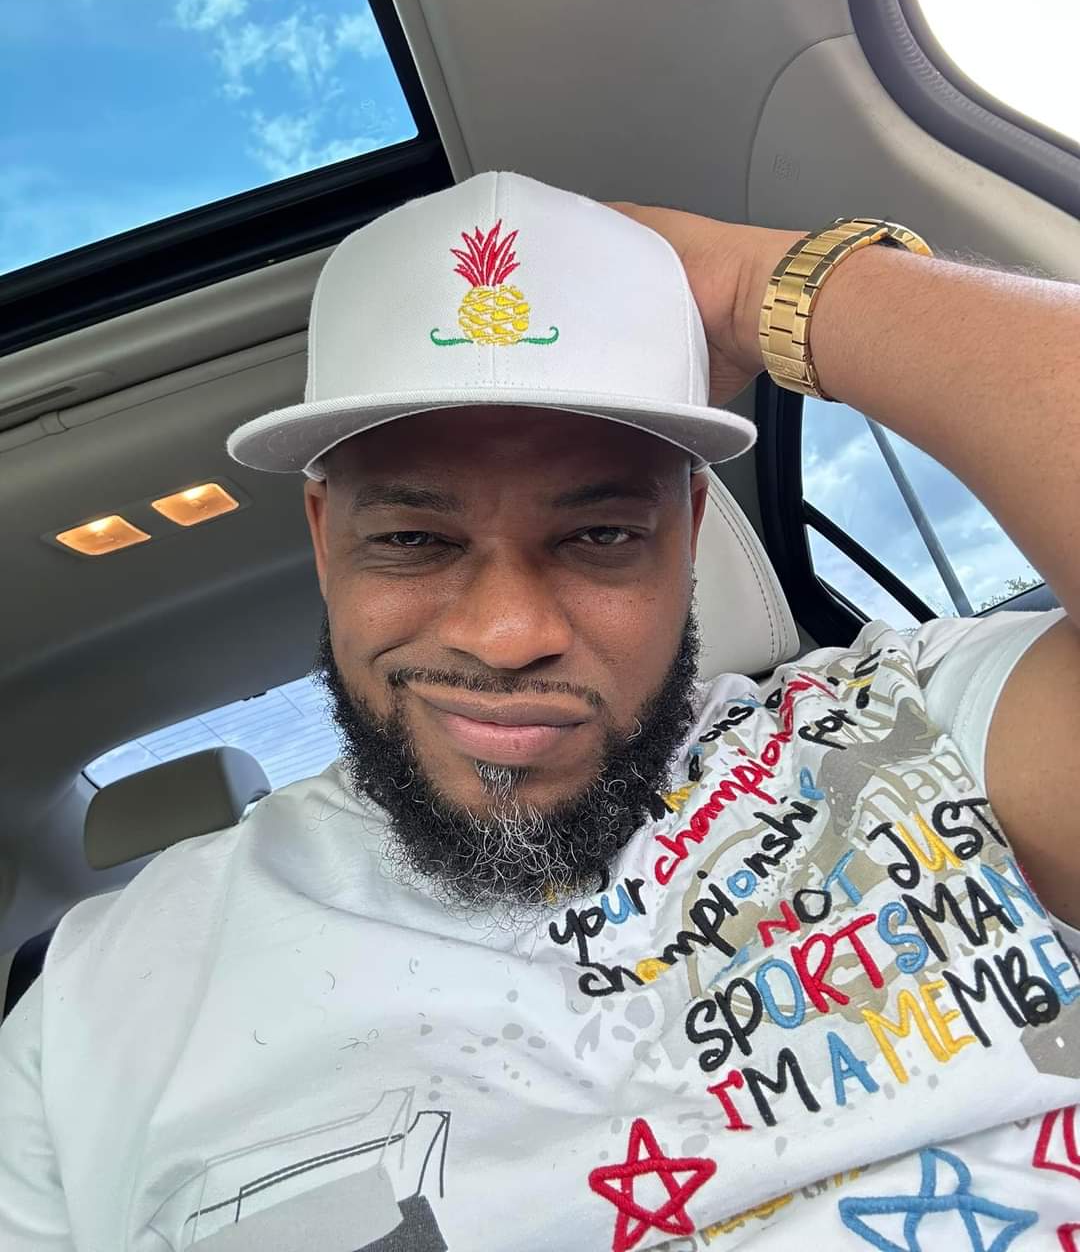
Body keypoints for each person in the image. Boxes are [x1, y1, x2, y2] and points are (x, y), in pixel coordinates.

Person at [1, 171, 1078, 1251]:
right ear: (326, 541)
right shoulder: (92, 1006)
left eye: (600, 536)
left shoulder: (919, 716)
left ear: (689, 529)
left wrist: (765, 287)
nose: (508, 634)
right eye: (414, 539)